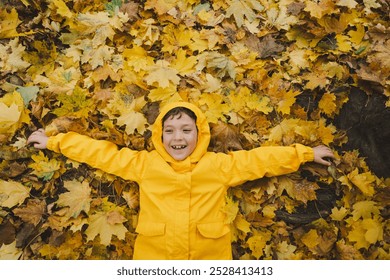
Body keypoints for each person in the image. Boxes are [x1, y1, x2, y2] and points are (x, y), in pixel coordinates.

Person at [27, 101, 335, 260]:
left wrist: (305, 153)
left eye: (186, 131)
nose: (178, 138)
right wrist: (54, 141)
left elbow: (260, 160)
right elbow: (100, 154)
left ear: (199, 135)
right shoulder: (144, 164)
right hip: (155, 259)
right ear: (160, 136)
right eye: (171, 131)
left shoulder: (218, 166)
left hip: (207, 258)